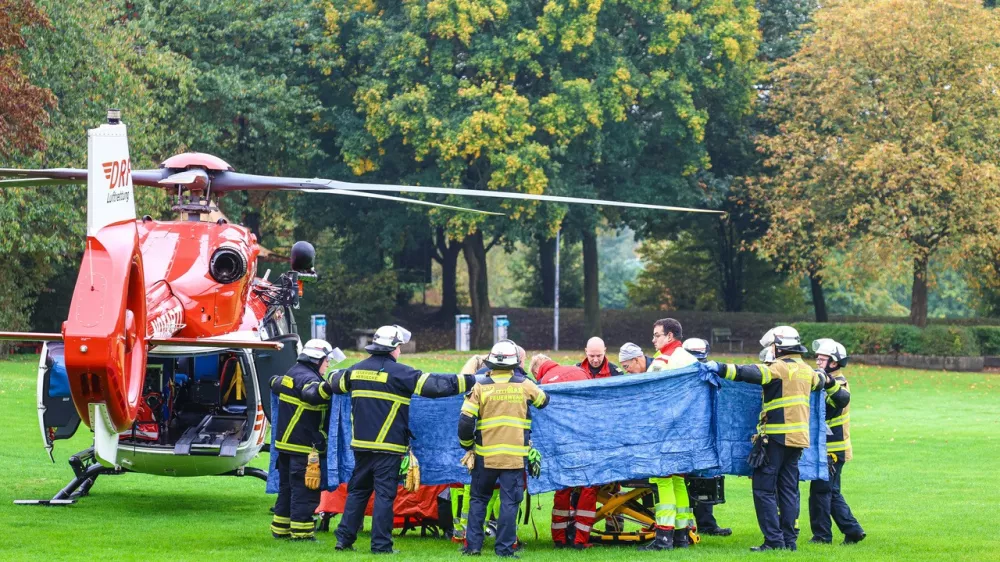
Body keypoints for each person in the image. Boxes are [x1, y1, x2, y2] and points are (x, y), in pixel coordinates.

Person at [331, 325, 476, 554]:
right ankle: (381, 546)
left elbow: (333, 381)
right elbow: (436, 386)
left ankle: (344, 540)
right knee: (384, 496)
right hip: (388, 447)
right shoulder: (400, 373)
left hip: (360, 445)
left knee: (358, 492)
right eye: (399, 347)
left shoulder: (355, 370)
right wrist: (471, 380)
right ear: (394, 348)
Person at [705, 326, 836, 552]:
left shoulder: (780, 368)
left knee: (764, 490)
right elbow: (821, 382)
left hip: (775, 438)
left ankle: (774, 542)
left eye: (772, 347)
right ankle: (789, 541)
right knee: (787, 490)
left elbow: (751, 373)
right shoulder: (806, 370)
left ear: (779, 347)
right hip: (798, 441)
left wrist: (720, 368)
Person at [459, 340, 550, 558]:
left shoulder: (480, 386)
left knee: (479, 500)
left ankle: (473, 547)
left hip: (484, 457)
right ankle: (505, 549)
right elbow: (543, 401)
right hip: (514, 458)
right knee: (510, 503)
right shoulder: (524, 384)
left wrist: (467, 446)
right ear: (514, 362)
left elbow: (465, 421)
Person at [269, 339, 338, 541]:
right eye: (326, 361)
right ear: (317, 360)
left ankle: (280, 529)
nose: (327, 365)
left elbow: (273, 381)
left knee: (287, 490)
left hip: (285, 446)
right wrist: (331, 385)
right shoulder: (309, 379)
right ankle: (302, 534)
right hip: (303, 448)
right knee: (304, 492)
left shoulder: (292, 373)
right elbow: (312, 394)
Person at [527, 354, 598, 549]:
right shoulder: (579, 371)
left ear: (536, 371)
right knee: (588, 487)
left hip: (559, 443)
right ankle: (580, 540)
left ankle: (559, 538)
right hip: (585, 439)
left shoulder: (542, 383)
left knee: (562, 487)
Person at [640, 319, 698, 550]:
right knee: (679, 481)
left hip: (663, 429)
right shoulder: (691, 359)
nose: (653, 340)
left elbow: (649, 393)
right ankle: (682, 536)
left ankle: (664, 538)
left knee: (663, 480)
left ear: (670, 336)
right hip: (686, 430)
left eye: (657, 335)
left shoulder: (662, 361)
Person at [808, 339, 866, 546]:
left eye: (822, 359)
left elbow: (828, 410)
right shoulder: (825, 382)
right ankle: (853, 531)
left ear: (835, 362)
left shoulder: (838, 384)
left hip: (832, 449)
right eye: (817, 358)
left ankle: (822, 536)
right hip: (829, 448)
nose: (817, 362)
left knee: (821, 492)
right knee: (830, 492)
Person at [681, 338, 733, 538]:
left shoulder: (710, 372)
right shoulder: (679, 373)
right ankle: (687, 525)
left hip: (704, 434)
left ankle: (706, 524)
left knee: (704, 478)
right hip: (686, 434)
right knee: (684, 479)